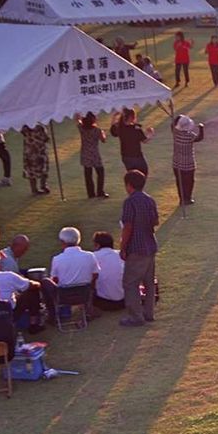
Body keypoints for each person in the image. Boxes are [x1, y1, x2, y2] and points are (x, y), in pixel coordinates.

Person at [119, 169, 159, 326]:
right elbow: (155, 221)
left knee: (130, 283)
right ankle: (149, 313)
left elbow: (127, 226)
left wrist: (123, 247)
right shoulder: (150, 200)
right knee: (149, 282)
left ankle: (136, 317)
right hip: (150, 245)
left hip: (136, 248)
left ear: (129, 185)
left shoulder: (130, 202)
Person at [40, 226, 100, 314]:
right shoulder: (90, 256)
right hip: (84, 295)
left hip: (64, 297)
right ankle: (88, 308)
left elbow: (55, 280)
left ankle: (52, 315)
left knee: (45, 281)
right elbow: (95, 275)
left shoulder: (57, 259)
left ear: (62, 242)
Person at [171, 114, 205, 206]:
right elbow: (199, 138)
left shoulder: (175, 133)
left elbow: (172, 125)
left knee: (180, 182)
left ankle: (182, 199)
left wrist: (176, 119)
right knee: (189, 182)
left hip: (177, 163)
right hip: (188, 164)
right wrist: (201, 128)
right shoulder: (189, 136)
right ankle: (188, 198)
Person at [111, 107, 154, 175]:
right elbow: (145, 140)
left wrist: (114, 116)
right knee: (143, 174)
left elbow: (113, 130)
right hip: (136, 156)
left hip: (126, 157)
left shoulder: (120, 127)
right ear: (131, 117)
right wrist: (151, 133)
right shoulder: (136, 129)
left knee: (132, 176)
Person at [90, 232, 126, 312]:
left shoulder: (93, 256)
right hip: (124, 300)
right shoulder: (120, 255)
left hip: (103, 301)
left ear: (97, 245)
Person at [78, 112, 108, 199]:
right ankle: (100, 191)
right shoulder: (97, 130)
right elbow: (103, 140)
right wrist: (103, 133)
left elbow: (77, 119)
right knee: (100, 172)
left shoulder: (82, 128)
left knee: (88, 174)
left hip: (85, 153)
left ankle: (91, 194)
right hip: (94, 154)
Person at [21, 124, 51, 196]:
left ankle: (34, 189)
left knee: (31, 171)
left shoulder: (25, 127)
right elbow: (46, 138)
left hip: (30, 152)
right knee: (43, 169)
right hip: (39, 151)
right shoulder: (40, 127)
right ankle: (43, 186)